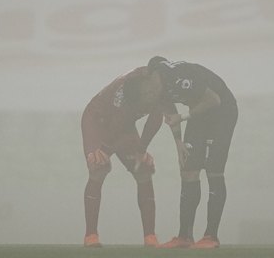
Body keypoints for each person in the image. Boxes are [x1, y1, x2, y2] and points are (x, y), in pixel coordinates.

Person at [81, 66, 180, 248]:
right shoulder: (125, 91)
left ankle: (150, 237)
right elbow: (117, 123)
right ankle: (91, 236)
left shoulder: (160, 86)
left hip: (123, 125)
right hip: (97, 121)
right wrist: (102, 149)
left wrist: (141, 151)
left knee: (143, 168)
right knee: (99, 167)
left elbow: (155, 119)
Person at [147, 56, 238, 249]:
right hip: (199, 113)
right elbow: (171, 115)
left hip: (222, 112)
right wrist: (179, 142)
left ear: (159, 73)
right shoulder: (159, 89)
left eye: (153, 81)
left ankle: (211, 236)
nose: (152, 87)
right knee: (188, 170)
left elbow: (213, 99)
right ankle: (184, 236)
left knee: (213, 170)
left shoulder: (178, 76)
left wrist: (184, 116)